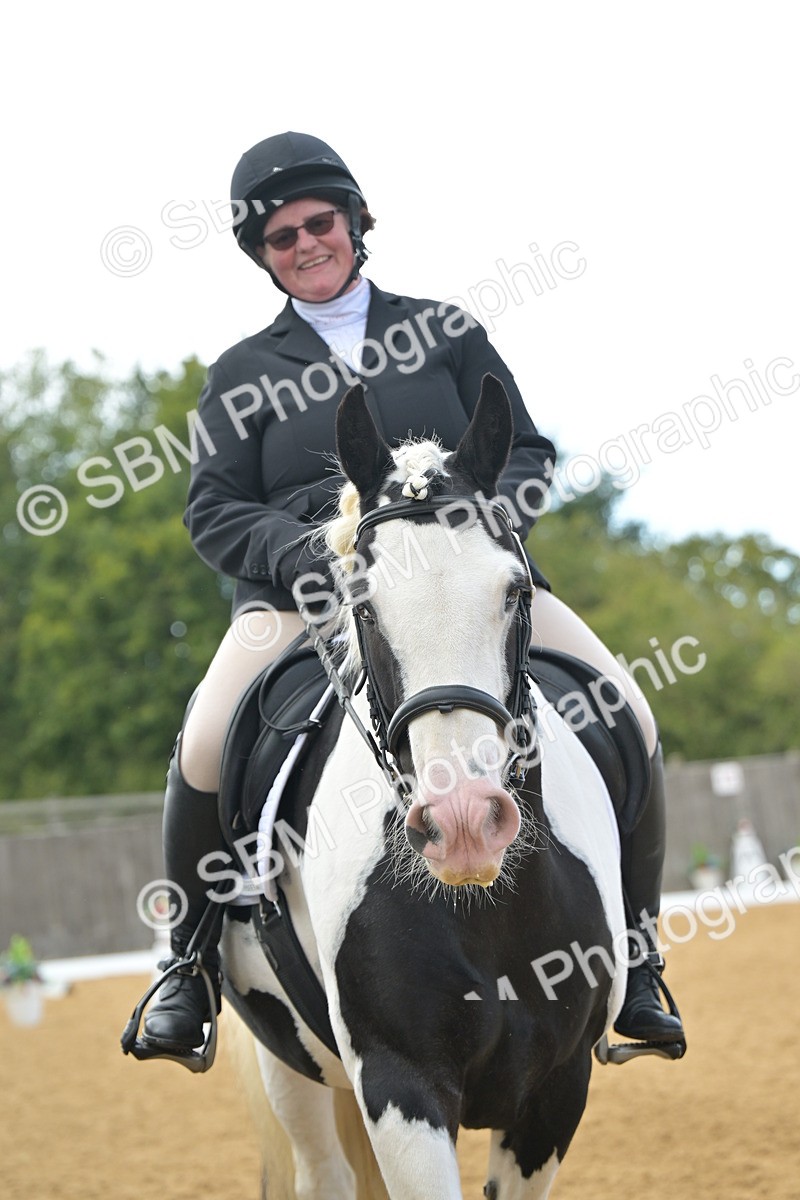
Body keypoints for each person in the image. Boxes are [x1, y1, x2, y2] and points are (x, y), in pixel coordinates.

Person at [137, 131, 684, 1062]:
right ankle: (187, 968)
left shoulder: (445, 330)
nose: (308, 244)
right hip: (306, 596)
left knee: (626, 706)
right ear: (262, 256)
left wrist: (476, 529)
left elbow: (528, 454)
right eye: (283, 237)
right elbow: (215, 509)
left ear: (355, 222)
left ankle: (637, 957)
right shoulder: (240, 374)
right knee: (202, 740)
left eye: (322, 223)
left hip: (460, 588)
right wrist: (312, 554)